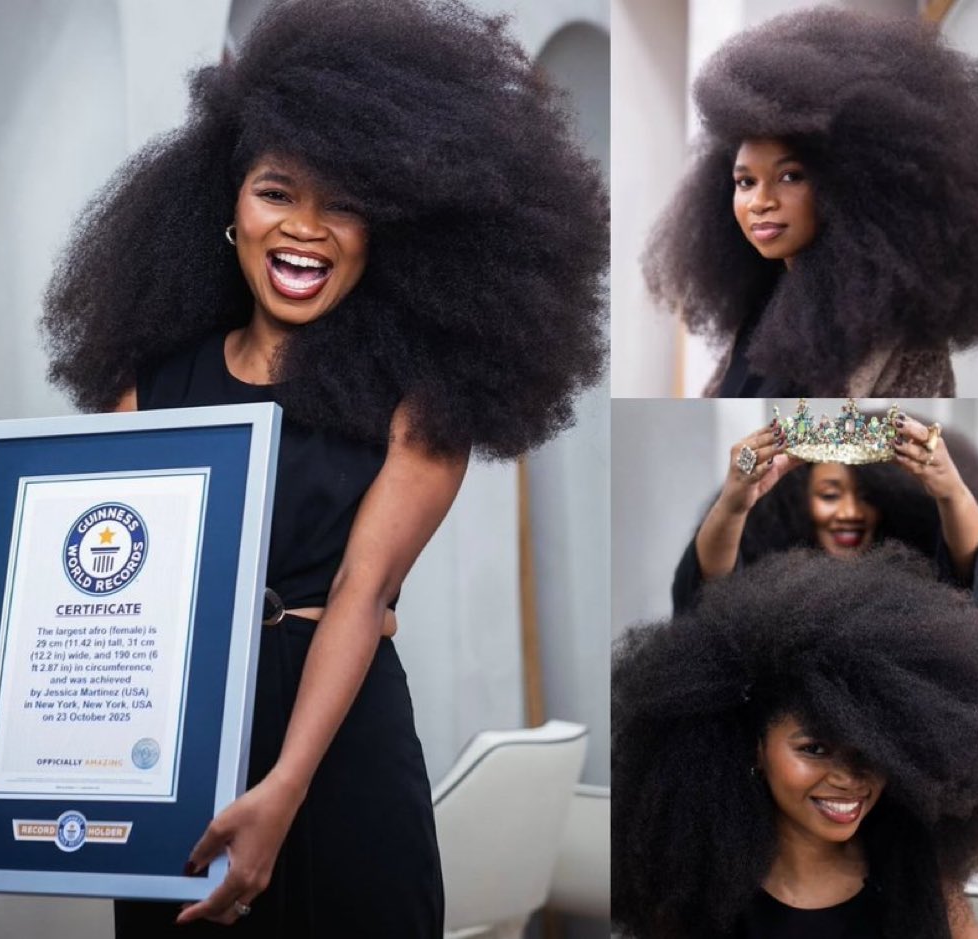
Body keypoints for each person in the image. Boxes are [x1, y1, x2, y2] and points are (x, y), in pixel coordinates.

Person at [40, 1, 608, 934]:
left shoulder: (422, 401)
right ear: (225, 204)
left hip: (340, 757)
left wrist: (284, 790)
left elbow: (361, 587)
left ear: (389, 228)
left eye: (345, 202)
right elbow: (93, 609)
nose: (306, 228)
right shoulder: (150, 385)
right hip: (174, 750)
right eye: (277, 190)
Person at [613, 545, 978, 939]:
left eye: (869, 751)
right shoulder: (697, 889)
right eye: (814, 749)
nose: (848, 777)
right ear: (754, 748)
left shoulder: (914, 868)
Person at [643, 6, 978, 397]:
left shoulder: (899, 343)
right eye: (745, 181)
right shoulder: (758, 308)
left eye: (790, 176)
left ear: (851, 184)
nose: (760, 201)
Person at [672, 410, 978, 628]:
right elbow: (707, 598)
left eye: (868, 498)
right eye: (829, 495)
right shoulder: (768, 585)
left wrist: (952, 492)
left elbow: (977, 592)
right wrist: (734, 505)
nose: (848, 513)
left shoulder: (919, 591)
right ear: (800, 502)